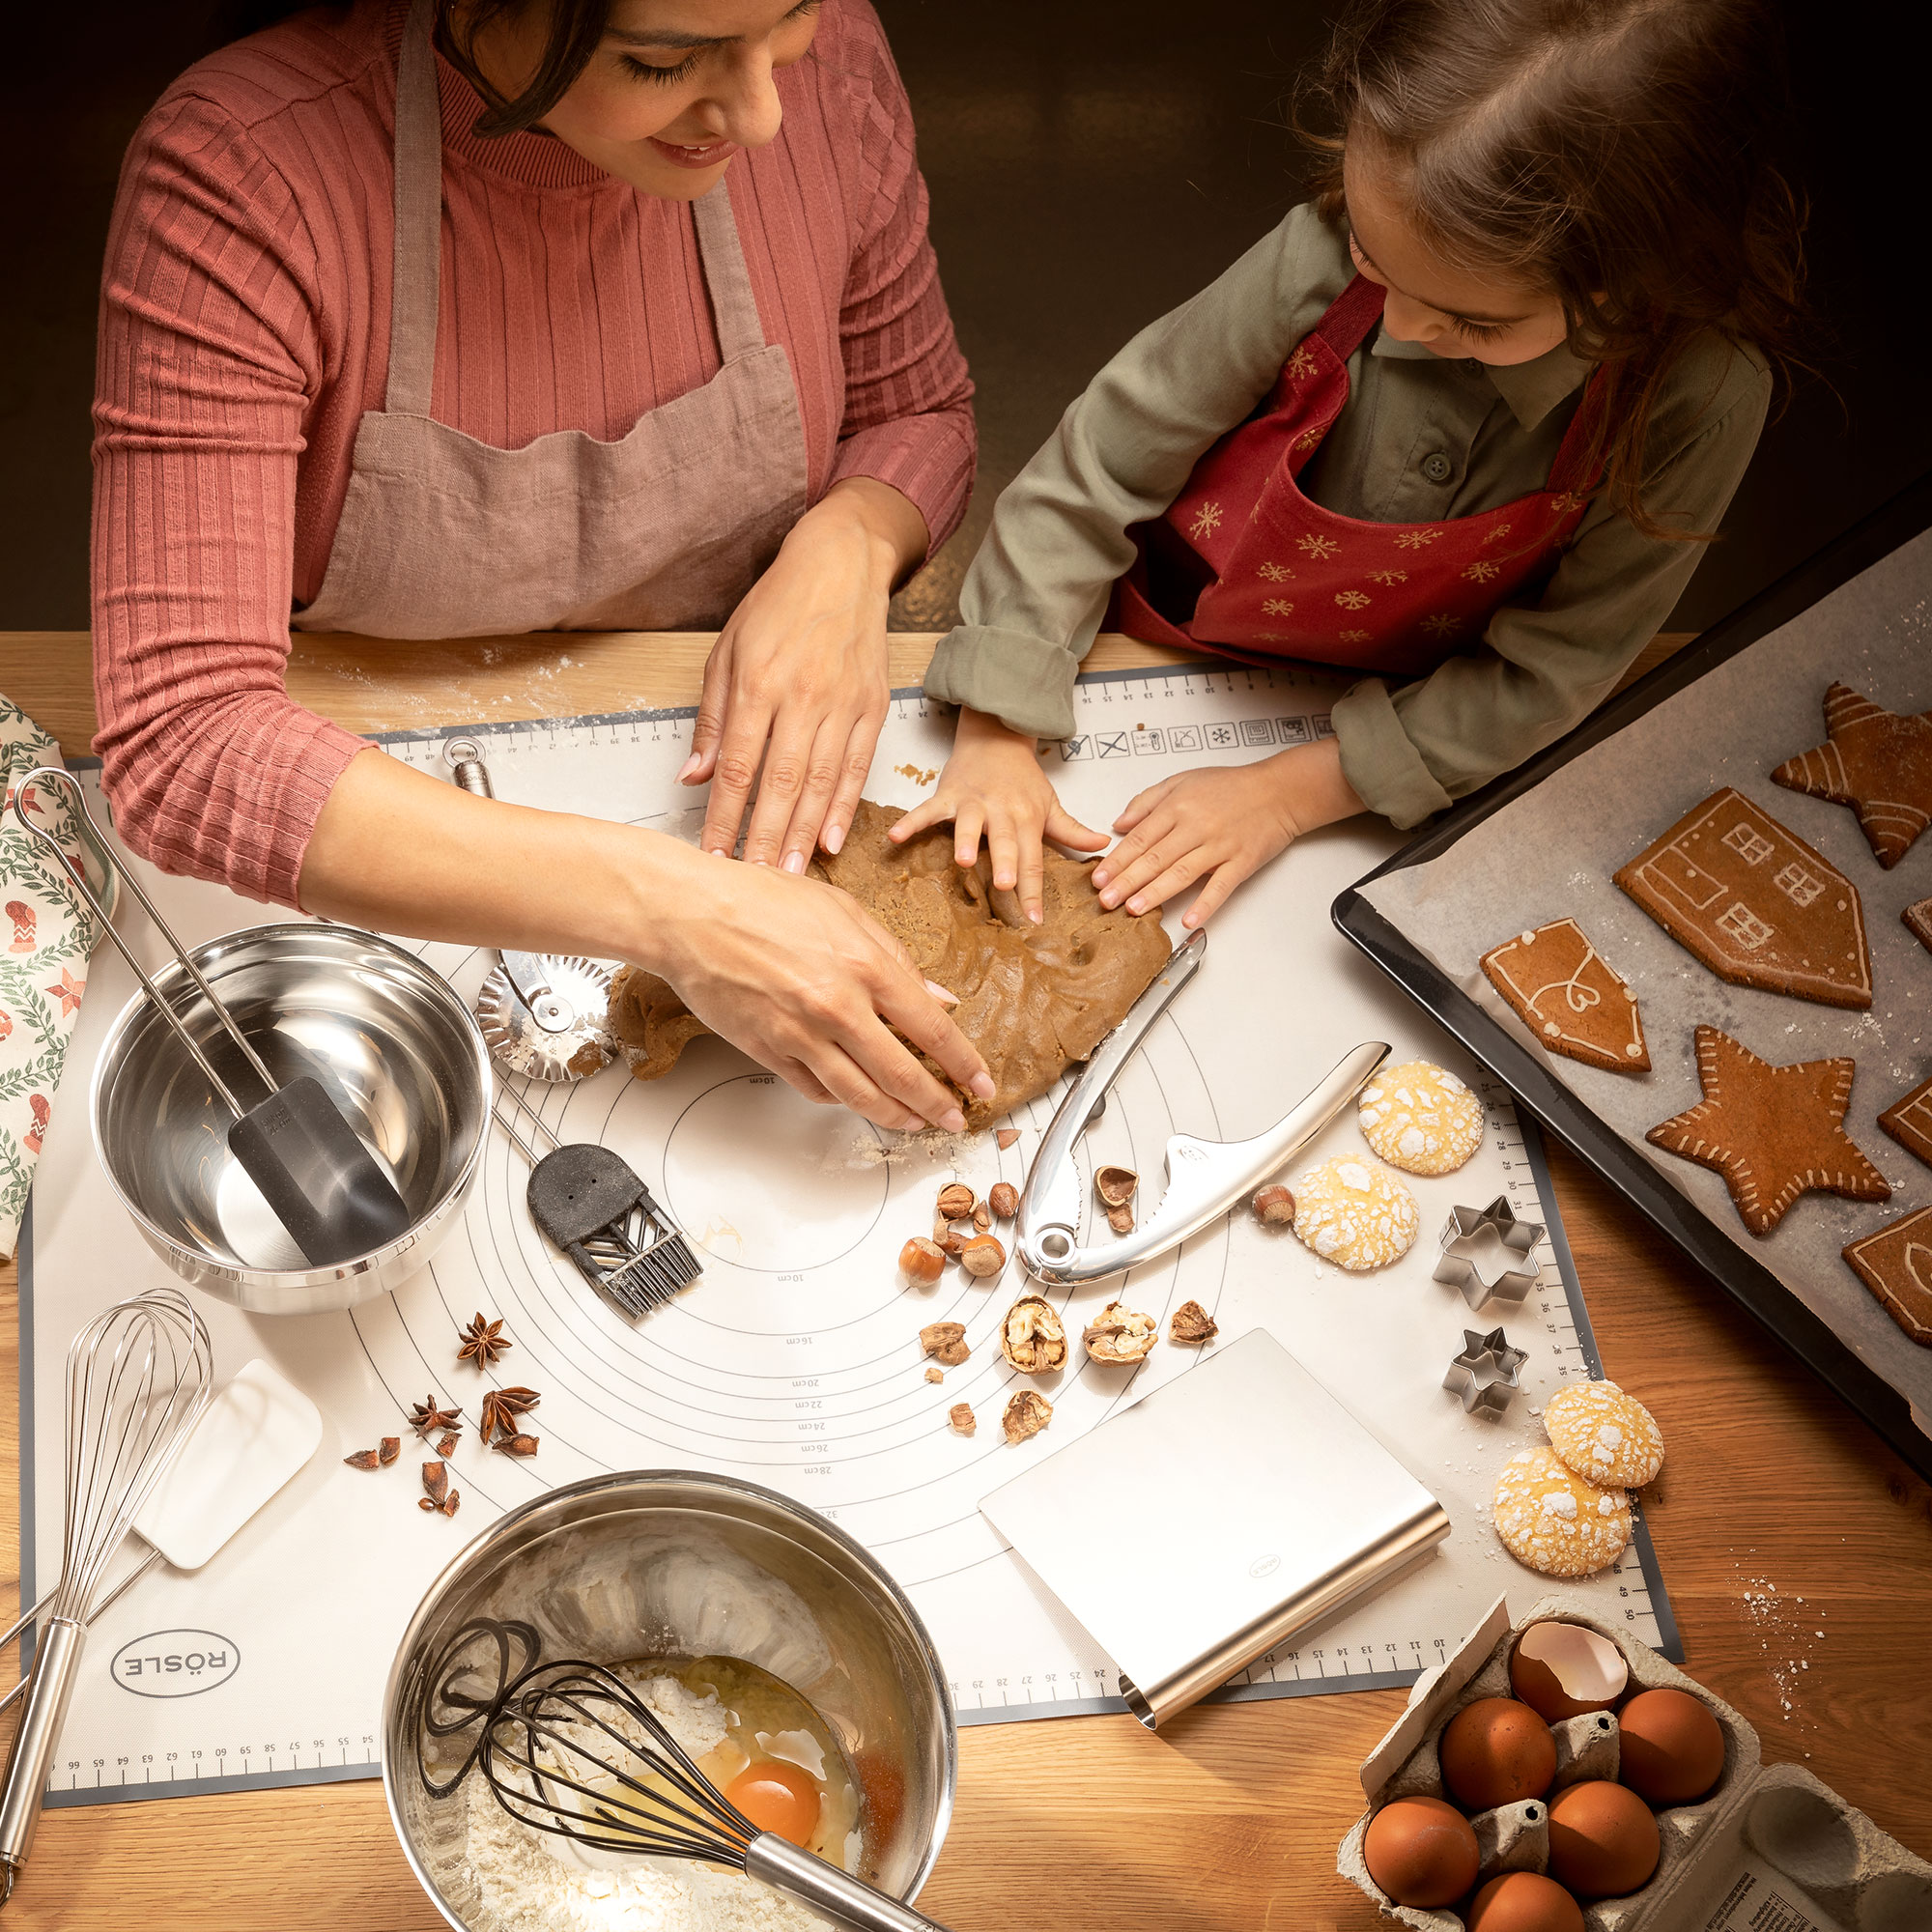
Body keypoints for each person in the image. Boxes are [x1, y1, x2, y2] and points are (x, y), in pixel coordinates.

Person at [91, 0, 994, 1132]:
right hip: (380, 815)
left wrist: (851, 542)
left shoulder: (814, 60)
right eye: (662, 61)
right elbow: (188, 739)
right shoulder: (249, 168)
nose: (762, 111)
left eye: (790, 24)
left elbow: (917, 408)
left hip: (692, 757)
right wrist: (685, 916)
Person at [907, 0, 1805, 928]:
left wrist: (1294, 793)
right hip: (1156, 649)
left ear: (1645, 279)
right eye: (1378, 262)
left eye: (1475, 323)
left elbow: (1552, 673)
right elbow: (1098, 464)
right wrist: (997, 719)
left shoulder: (1694, 398)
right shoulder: (1323, 256)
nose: (1403, 328)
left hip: (1409, 722)